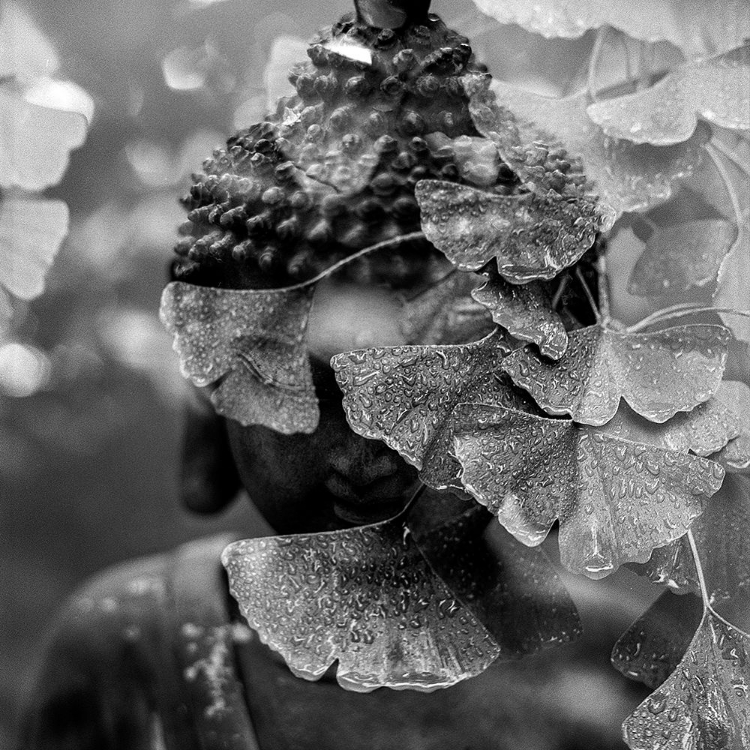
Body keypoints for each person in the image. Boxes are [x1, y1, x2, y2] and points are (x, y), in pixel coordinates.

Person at [18, 2, 648, 748]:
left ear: (557, 386)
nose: (364, 461)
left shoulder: (624, 674)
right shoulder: (133, 641)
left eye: (429, 392)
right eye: (303, 390)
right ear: (208, 393)